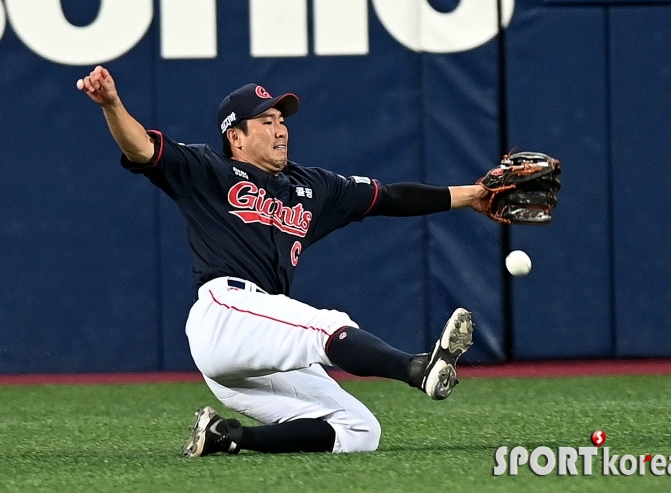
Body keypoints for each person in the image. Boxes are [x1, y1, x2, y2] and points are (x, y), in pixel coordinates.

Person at [78, 65, 492, 457]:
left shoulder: (312, 187)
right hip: (225, 313)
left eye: (281, 119)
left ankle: (226, 437)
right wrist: (112, 105)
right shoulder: (207, 169)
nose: (280, 130)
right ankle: (418, 368)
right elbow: (143, 148)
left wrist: (473, 196)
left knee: (360, 429)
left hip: (258, 340)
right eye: (266, 122)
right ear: (236, 137)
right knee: (325, 326)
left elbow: (391, 198)